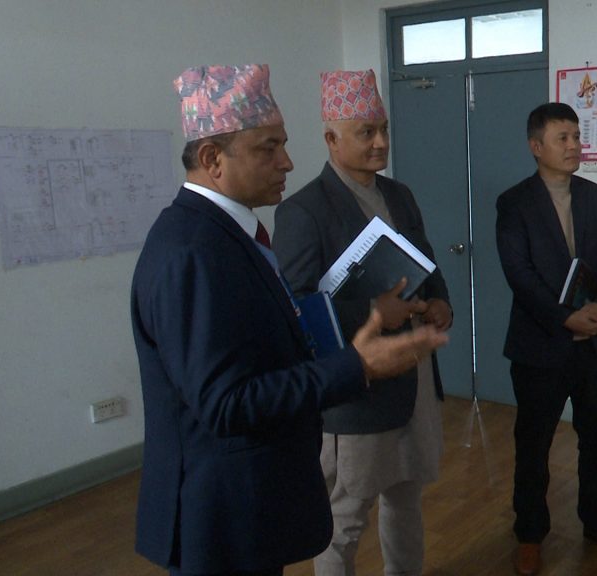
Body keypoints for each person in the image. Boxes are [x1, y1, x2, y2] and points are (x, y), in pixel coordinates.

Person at [131, 64, 447, 576]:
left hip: (251, 502)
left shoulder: (231, 236)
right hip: (220, 516)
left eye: (283, 144)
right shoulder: (191, 252)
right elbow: (226, 403)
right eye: (268, 148)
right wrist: (358, 364)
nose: (287, 162)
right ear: (212, 159)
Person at [272, 69, 452, 576]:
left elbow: (426, 263)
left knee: (406, 497)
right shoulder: (304, 211)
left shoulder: (400, 195)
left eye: (384, 130)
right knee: (344, 519)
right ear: (331, 139)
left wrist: (440, 301)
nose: (381, 143)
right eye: (366, 132)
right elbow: (297, 306)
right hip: (358, 388)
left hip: (413, 375)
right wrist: (372, 313)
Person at [495, 102, 597, 576]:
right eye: (563, 138)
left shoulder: (595, 197)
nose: (575, 145)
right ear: (537, 147)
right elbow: (519, 273)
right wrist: (564, 318)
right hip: (540, 347)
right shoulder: (514, 203)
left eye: (577, 136)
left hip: (595, 343)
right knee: (533, 446)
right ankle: (530, 534)